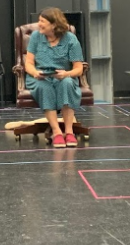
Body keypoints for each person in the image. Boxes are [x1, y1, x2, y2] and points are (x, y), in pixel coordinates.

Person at [23, 8, 84, 148]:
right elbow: (29, 64)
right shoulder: (35, 37)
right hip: (40, 77)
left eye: (42, 21)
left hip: (62, 75)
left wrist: (66, 74)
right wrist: (35, 73)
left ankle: (69, 132)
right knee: (45, 87)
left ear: (54, 25)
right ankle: (56, 132)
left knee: (67, 83)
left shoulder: (70, 39)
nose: (38, 24)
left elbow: (78, 68)